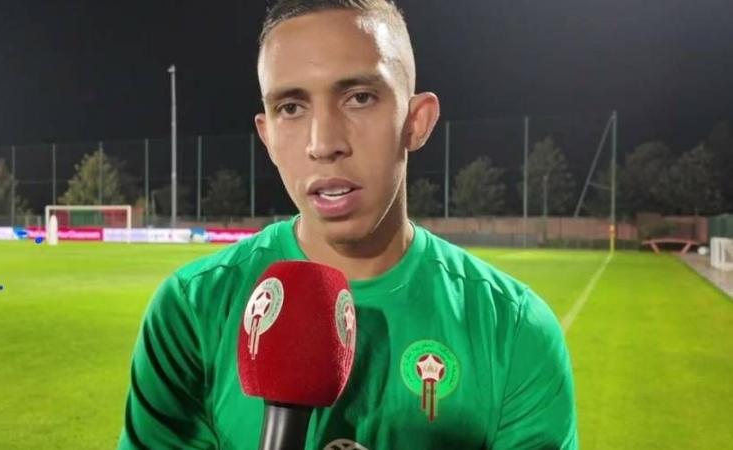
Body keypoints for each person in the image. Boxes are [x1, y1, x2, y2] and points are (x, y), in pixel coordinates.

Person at [117, 1, 578, 448]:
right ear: (268, 136)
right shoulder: (192, 310)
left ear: (416, 122)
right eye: (291, 108)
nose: (323, 143)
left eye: (359, 98)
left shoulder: (512, 329)